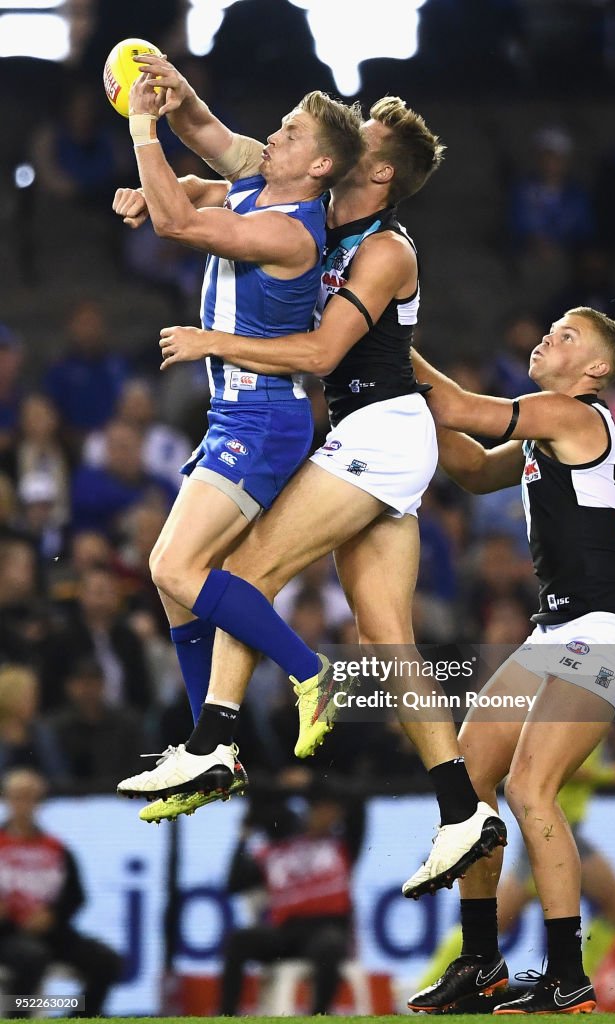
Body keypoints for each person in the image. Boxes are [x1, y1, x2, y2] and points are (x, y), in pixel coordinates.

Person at [116, 60, 506, 900]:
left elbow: (326, 355)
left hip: (377, 430)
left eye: (359, 137)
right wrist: (175, 100)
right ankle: (462, 810)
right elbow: (221, 148)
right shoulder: (318, 207)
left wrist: (215, 343)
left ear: (380, 170)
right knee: (385, 640)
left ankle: (217, 735)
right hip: (378, 427)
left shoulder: (387, 248)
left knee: (244, 570)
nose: (342, 132)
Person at [404, 306, 615, 1012]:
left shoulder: (575, 415)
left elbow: (457, 405)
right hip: (560, 631)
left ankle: (566, 975)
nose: (547, 338)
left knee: (529, 789)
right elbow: (472, 468)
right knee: (469, 773)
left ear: (596, 370)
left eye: (566, 336)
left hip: (606, 631)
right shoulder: (551, 430)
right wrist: (405, 403)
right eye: (549, 328)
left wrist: (387, 342)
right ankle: (481, 964)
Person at [110, 62, 363, 761]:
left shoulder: (293, 233)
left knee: (171, 567)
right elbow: (205, 132)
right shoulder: (262, 180)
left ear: (317, 165)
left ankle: (313, 673)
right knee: (178, 593)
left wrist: (142, 124)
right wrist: (173, 86)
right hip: (238, 414)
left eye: (290, 133)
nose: (272, 137)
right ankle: (208, 747)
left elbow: (178, 222)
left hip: (264, 419)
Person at [411, 739, 615, 1012]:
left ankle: (579, 983)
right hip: (548, 833)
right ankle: (430, 982)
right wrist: (613, 774)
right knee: (497, 923)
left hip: (562, 829)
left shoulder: (578, 710)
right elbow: (554, 763)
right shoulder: (569, 708)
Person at [220, 789, 363, 1015]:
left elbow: (358, 798)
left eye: (331, 811)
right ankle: (226, 1015)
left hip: (327, 928)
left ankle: (318, 1016)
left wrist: (310, 783)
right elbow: (233, 883)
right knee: (239, 941)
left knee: (330, 944)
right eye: (318, 810)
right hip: (287, 932)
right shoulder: (275, 852)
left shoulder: (342, 844)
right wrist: (243, 836)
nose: (324, 816)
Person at [0, 768, 122, 1016]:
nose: (24, 803)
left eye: (30, 796)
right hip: (6, 934)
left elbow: (76, 896)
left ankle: (82, 1016)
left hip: (50, 932)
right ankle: (17, 1017)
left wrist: (53, 915)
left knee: (107, 961)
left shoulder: (56, 848)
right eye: (18, 796)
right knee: (32, 958)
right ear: (7, 799)